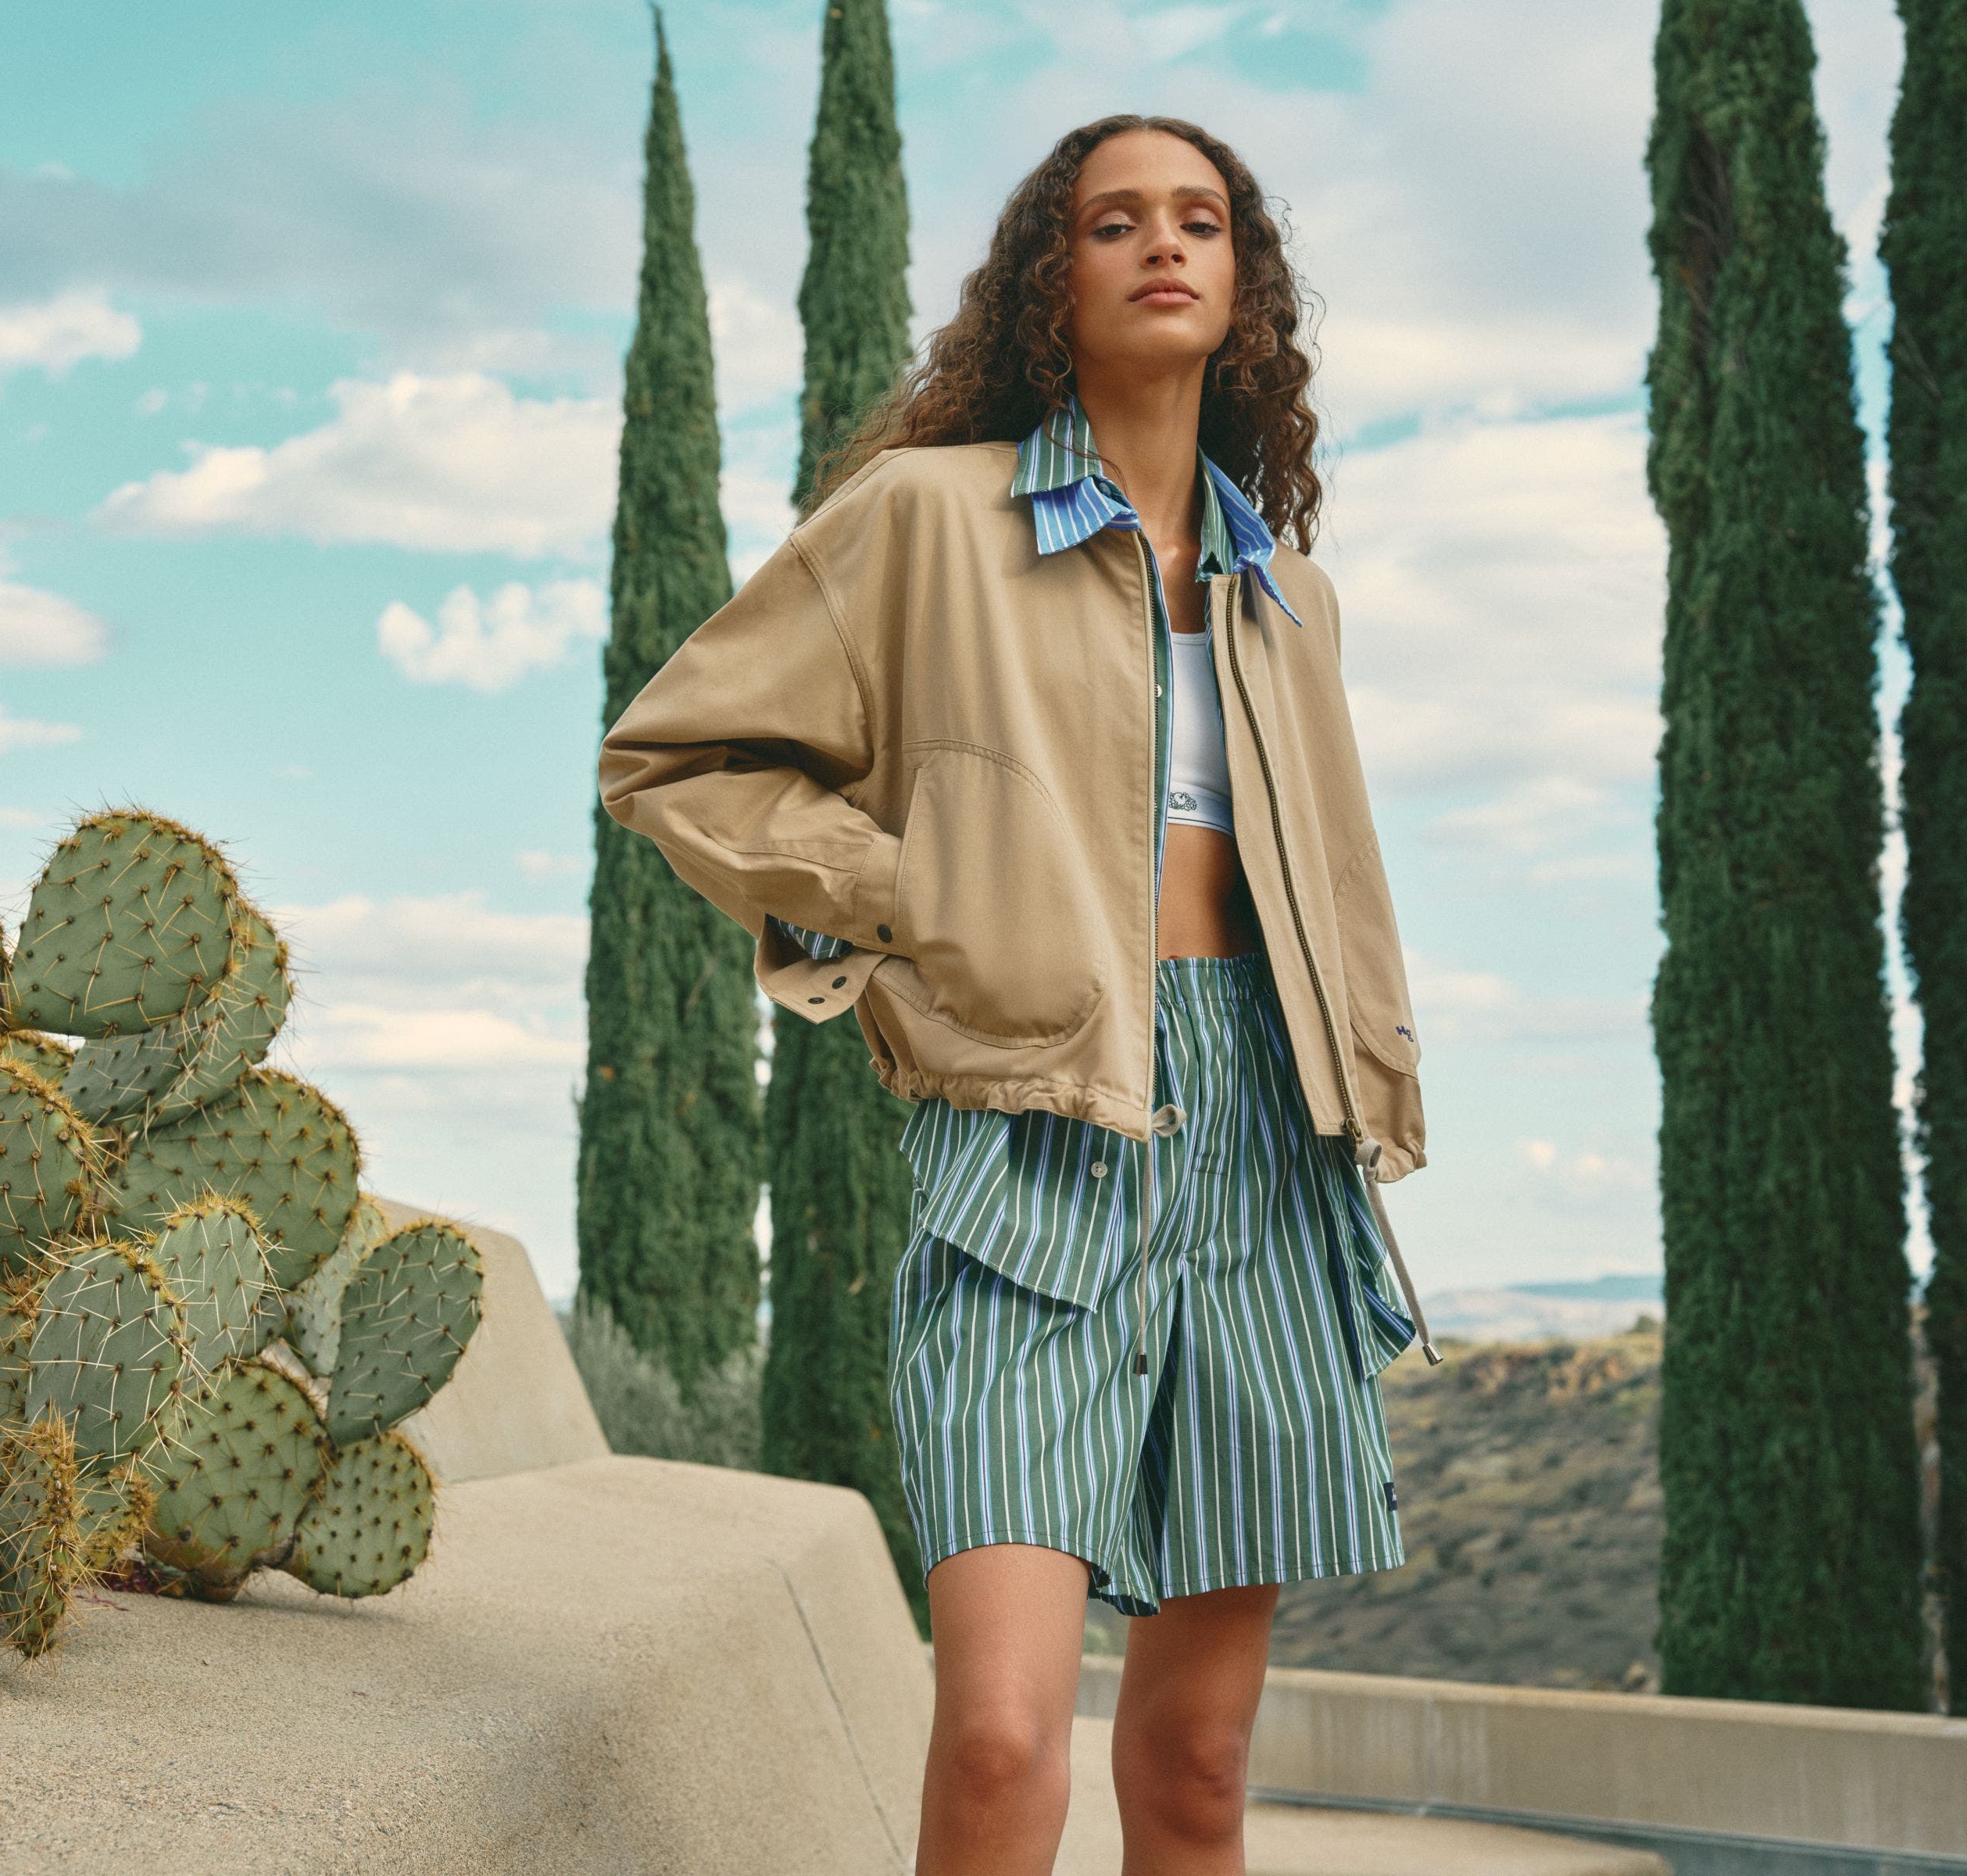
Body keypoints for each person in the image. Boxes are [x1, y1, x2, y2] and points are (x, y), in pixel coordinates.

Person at [599, 113, 1434, 1876]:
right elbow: (671, 756)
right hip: (1032, 1139)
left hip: (1271, 1150)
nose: (1163, 245)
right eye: (1113, 220)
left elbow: (1337, 888)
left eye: (1200, 220)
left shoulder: (1291, 599)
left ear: (1245, 284)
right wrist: (912, 896)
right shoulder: (921, 521)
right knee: (996, 1748)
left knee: (1197, 1769)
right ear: (1047, 277)